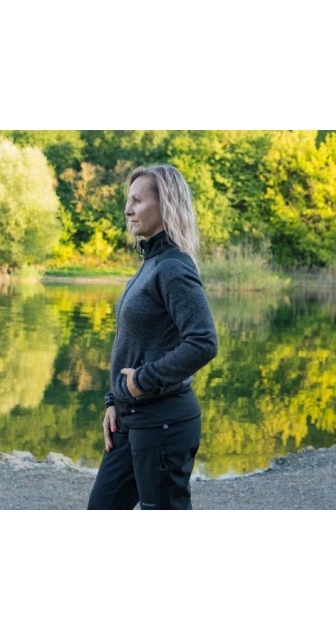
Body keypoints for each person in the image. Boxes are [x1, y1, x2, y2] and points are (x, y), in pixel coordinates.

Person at [87, 164, 218, 510]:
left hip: (163, 422)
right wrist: (114, 400)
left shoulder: (173, 266)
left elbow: (203, 341)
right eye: (128, 200)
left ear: (165, 205)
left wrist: (141, 382)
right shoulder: (151, 262)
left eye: (137, 200)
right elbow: (133, 344)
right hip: (130, 418)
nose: (127, 209)